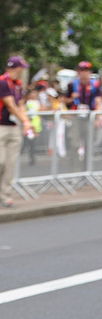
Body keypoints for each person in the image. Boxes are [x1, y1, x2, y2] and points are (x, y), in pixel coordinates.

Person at [0, 55, 32, 207]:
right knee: (1, 162)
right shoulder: (3, 82)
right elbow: (10, 105)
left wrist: (26, 122)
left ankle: (5, 196)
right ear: (15, 68)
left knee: (10, 164)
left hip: (14, 127)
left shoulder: (18, 85)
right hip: (1, 126)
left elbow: (20, 105)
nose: (22, 71)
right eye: (21, 68)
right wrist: (25, 120)